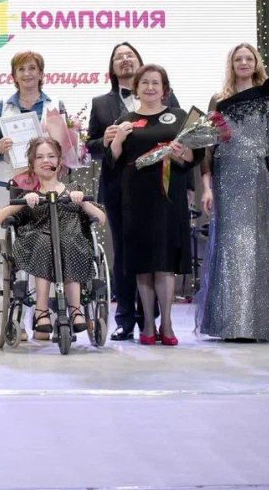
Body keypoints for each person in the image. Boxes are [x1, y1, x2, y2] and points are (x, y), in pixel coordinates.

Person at [196, 43, 269, 341]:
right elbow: (208, 147)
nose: (244, 62)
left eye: (249, 58)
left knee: (257, 245)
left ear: (256, 63)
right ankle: (229, 324)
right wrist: (207, 188)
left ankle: (258, 323)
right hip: (226, 177)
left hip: (259, 178)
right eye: (238, 59)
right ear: (231, 64)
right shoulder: (219, 99)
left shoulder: (267, 97)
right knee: (229, 245)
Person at [87, 41, 180, 341]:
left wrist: (188, 186)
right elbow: (91, 147)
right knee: (126, 255)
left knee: (158, 255)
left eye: (130, 55)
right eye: (119, 57)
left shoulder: (167, 98)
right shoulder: (101, 103)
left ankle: (151, 321)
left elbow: (181, 140)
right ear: (112, 68)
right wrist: (106, 139)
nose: (125, 60)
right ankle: (125, 319)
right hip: (119, 189)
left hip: (161, 189)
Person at [107, 64, 203, 346]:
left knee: (164, 263)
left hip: (168, 198)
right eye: (145, 82)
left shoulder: (180, 117)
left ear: (164, 89)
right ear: (136, 88)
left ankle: (168, 324)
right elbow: (114, 162)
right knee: (142, 264)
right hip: (135, 200)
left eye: (155, 83)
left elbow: (193, 158)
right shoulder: (125, 120)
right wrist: (117, 140)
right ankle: (148, 324)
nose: (150, 87)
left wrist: (182, 152)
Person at [0, 137, 106, 338]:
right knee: (45, 243)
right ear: (32, 163)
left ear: (59, 161)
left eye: (51, 156)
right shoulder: (29, 194)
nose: (46, 161)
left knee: (70, 242)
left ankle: (76, 310)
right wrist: (23, 201)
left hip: (72, 241)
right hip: (37, 242)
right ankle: (41, 311)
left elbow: (101, 218)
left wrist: (82, 202)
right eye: (40, 157)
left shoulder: (74, 189)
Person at [0, 51, 66, 246]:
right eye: (21, 69)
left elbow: (65, 148)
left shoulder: (55, 104)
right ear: (14, 76)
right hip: (9, 182)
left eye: (32, 68)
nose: (27, 73)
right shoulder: (2, 106)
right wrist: (0, 149)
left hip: (46, 184)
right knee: (4, 238)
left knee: (46, 239)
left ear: (41, 73)